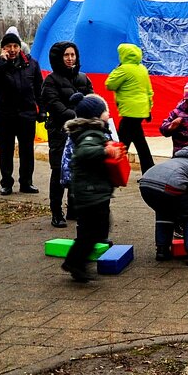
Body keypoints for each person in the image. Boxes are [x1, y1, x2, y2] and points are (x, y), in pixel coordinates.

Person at [62, 94, 123, 283]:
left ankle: (76, 262)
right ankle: (74, 263)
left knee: (98, 228)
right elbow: (83, 153)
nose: (108, 112)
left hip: (94, 191)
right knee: (93, 230)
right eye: (104, 110)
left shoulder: (95, 132)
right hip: (89, 192)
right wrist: (105, 150)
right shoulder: (90, 134)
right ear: (95, 116)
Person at [138, 140, 188, 265]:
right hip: (171, 187)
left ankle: (162, 250)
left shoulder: (177, 159)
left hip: (146, 185)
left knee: (164, 211)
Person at [40, 41, 94, 227]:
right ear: (58, 58)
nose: (70, 59)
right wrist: (79, 116)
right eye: (66, 55)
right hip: (60, 132)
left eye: (73, 55)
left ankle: (74, 208)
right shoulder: (51, 81)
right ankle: (56, 212)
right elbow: (55, 106)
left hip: (80, 133)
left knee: (78, 170)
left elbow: (92, 101)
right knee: (58, 171)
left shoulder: (83, 78)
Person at [0, 32, 43, 195]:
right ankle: (6, 183)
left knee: (27, 151)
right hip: (5, 115)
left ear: (20, 47)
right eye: (8, 46)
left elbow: (39, 89)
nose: (12, 49)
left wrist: (41, 110)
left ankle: (26, 182)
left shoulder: (31, 64)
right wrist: (2, 62)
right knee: (6, 151)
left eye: (15, 46)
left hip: (26, 115)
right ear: (3, 48)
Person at [105, 42, 155, 172]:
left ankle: (114, 168)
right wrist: (149, 109)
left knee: (122, 141)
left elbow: (109, 84)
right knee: (139, 141)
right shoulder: (142, 69)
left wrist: (118, 68)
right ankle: (149, 170)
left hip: (129, 110)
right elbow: (149, 91)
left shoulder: (124, 69)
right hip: (141, 110)